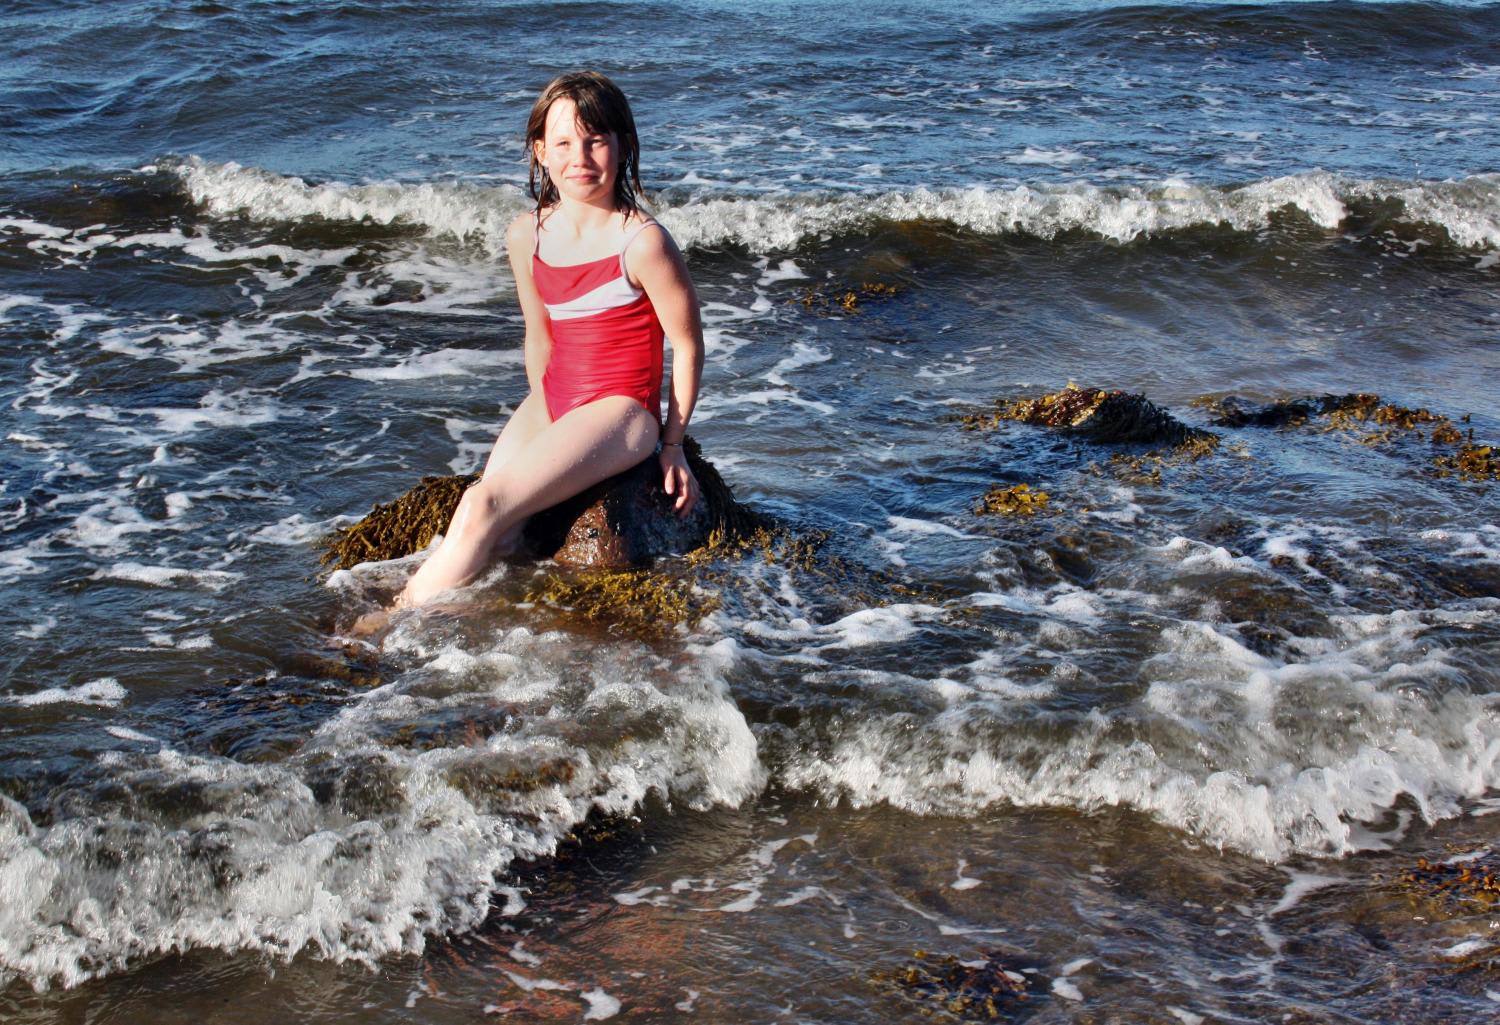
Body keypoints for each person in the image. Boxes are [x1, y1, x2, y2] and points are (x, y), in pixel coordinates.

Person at [396, 71, 703, 609]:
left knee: (483, 505)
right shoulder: (528, 235)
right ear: (540, 151)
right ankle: (476, 621)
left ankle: (391, 618)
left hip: (622, 412)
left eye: (595, 140)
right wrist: (547, 417)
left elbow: (688, 343)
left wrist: (673, 445)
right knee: (497, 523)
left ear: (623, 145)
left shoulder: (642, 242)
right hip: (554, 398)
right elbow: (538, 334)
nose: (579, 158)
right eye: (562, 143)